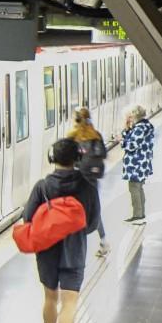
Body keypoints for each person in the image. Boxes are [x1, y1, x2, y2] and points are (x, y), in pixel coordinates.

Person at [25, 137, 102, 323]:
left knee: (50, 296)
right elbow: (93, 223)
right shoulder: (87, 186)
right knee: (70, 301)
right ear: (78, 158)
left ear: (52, 158)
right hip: (74, 249)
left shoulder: (42, 187)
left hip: (47, 249)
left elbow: (28, 219)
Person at [69, 106, 110, 257]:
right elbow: (103, 154)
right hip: (92, 179)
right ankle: (104, 241)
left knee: (76, 212)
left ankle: (77, 249)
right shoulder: (95, 135)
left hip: (77, 179)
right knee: (94, 210)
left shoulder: (73, 137)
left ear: (76, 120)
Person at [121, 106, 155, 223]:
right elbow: (132, 138)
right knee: (138, 187)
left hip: (136, 163)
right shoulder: (144, 126)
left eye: (129, 116)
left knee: (134, 188)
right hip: (141, 163)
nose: (128, 118)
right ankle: (141, 213)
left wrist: (121, 141)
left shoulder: (140, 128)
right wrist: (127, 129)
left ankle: (138, 215)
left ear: (134, 116)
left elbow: (132, 145)